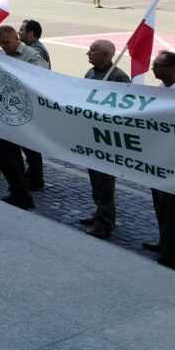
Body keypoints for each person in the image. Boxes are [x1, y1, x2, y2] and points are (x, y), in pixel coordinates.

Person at [0, 25, 48, 209]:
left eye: (7, 42)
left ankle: (21, 192)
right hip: (7, 113)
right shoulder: (1, 56)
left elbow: (43, 73)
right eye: (1, 43)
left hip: (24, 114)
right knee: (9, 151)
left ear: (16, 39)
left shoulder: (31, 54)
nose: (4, 46)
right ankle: (19, 192)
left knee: (2, 150)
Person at [79, 39, 131, 239]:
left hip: (107, 139)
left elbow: (127, 108)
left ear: (106, 55)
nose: (88, 54)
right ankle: (99, 212)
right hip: (91, 134)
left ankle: (104, 224)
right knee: (95, 180)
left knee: (105, 184)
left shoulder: (119, 77)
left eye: (93, 51)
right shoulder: (90, 73)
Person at [147, 52, 175, 269]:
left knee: (171, 209)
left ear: (172, 69)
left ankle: (170, 253)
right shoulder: (161, 89)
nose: (153, 68)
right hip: (159, 157)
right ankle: (163, 241)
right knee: (160, 204)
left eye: (157, 65)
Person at [17, 18, 50, 189]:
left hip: (32, 102)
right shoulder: (33, 48)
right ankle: (33, 174)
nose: (19, 32)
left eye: (22, 30)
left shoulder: (35, 51)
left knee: (30, 143)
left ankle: (36, 177)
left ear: (31, 33)